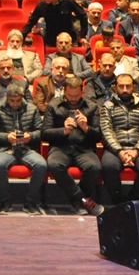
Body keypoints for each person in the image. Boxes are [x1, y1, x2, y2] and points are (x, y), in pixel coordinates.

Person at [41, 77, 103, 215]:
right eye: (70, 95)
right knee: (54, 164)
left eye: (76, 95)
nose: (73, 99)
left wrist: (86, 128)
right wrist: (63, 131)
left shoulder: (92, 107)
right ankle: (83, 200)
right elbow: (44, 133)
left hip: (84, 148)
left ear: (82, 91)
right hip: (61, 147)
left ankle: (78, 202)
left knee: (94, 167)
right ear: (64, 91)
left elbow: (98, 136)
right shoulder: (53, 105)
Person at [98, 73, 139, 203]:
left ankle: (132, 199)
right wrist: (120, 151)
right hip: (115, 149)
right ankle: (118, 201)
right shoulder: (107, 106)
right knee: (108, 167)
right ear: (115, 87)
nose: (125, 90)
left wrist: (136, 151)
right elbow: (106, 131)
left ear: (134, 87)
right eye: (121, 86)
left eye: (128, 86)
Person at [0, 82, 47, 214]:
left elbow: (41, 131)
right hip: (6, 149)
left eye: (18, 100)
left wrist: (30, 136)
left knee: (41, 165)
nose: (15, 104)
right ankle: (5, 200)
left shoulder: (32, 109)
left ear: (22, 97)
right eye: (12, 101)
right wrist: (6, 137)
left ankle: (30, 201)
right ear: (6, 97)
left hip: (27, 149)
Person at [21, 0, 86, 49]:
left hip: (69, 38)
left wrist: (83, 35)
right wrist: (21, 37)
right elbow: (31, 22)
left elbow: (83, 16)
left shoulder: (67, 1)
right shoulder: (41, 5)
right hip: (51, 40)